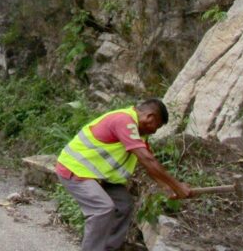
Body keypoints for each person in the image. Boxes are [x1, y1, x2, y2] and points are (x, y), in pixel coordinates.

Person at [56, 98, 192, 251]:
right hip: (75, 170)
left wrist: (167, 187)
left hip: (98, 176)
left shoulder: (137, 132)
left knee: (123, 205)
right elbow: (147, 159)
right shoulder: (124, 121)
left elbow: (148, 163)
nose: (155, 131)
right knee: (102, 209)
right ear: (150, 117)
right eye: (157, 126)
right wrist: (177, 185)